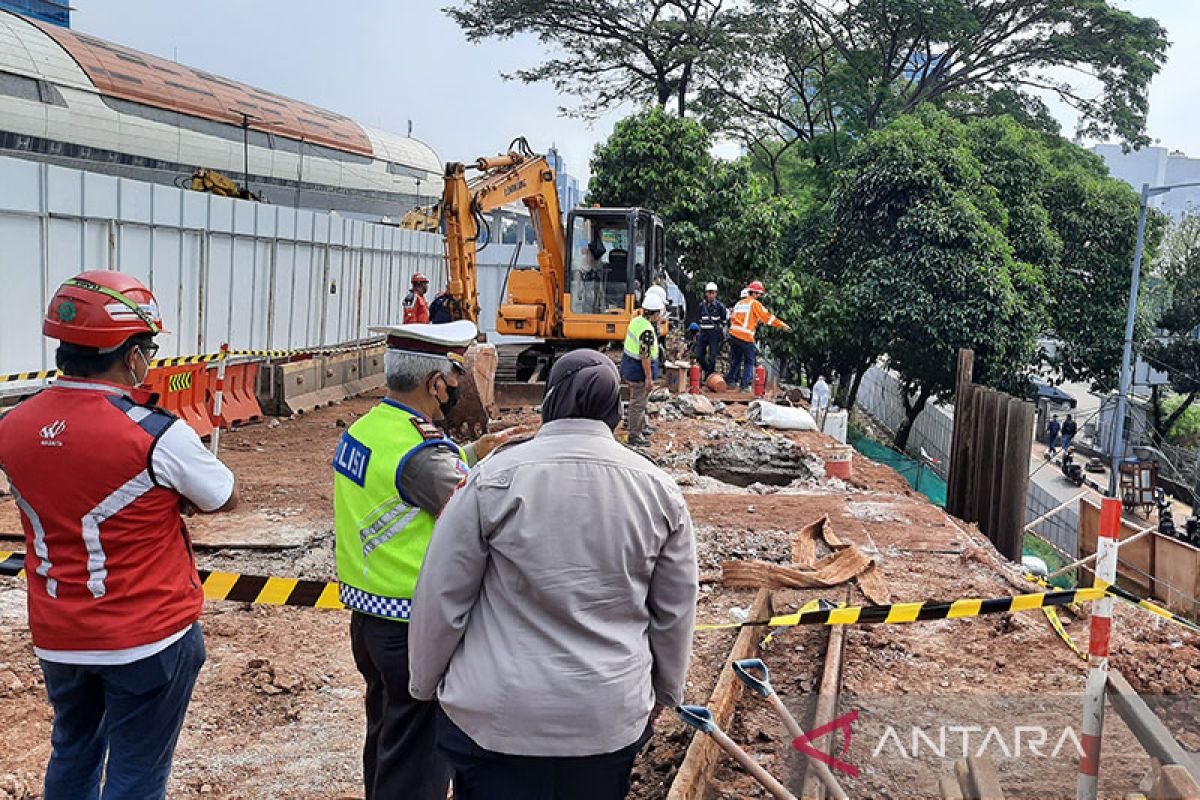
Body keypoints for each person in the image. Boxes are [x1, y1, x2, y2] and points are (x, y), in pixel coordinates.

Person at [409, 349, 698, 800]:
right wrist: (665, 692)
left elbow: (442, 596)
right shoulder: (659, 491)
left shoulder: (492, 479)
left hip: (497, 721)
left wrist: (424, 683)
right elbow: (675, 611)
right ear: (615, 412)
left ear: (549, 402)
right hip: (607, 718)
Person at [0, 271, 238, 800]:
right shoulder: (154, 432)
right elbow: (222, 495)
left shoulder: (12, 425)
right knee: (136, 773)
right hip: (147, 636)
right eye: (147, 349)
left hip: (58, 635)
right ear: (131, 356)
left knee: (73, 752)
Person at [333, 320, 522, 800]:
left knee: (388, 738)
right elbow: (474, 511)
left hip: (369, 617)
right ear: (435, 383)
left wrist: (473, 452)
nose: (458, 385)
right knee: (419, 761)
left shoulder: (368, 428)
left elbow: (406, 480)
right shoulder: (422, 452)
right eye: (455, 375)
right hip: (411, 627)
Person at [725, 280, 791, 392]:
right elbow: (767, 318)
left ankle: (730, 381)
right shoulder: (754, 304)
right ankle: (745, 386)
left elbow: (732, 318)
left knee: (736, 359)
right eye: (759, 294)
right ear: (754, 293)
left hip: (733, 335)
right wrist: (782, 325)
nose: (759, 296)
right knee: (749, 361)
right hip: (745, 336)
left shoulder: (739, 304)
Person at [620, 293, 663, 447]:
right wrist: (649, 378)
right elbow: (645, 356)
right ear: (655, 313)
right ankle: (634, 434)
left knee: (640, 400)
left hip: (629, 367)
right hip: (638, 371)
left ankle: (642, 426)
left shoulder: (637, 321)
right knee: (637, 403)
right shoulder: (647, 331)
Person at [695, 282, 727, 377]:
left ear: (716, 294)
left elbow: (724, 320)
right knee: (699, 356)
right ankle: (708, 371)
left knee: (712, 357)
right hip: (703, 332)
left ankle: (710, 376)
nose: (711, 295)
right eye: (709, 292)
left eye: (713, 292)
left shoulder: (720, 307)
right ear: (706, 293)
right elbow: (699, 319)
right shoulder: (702, 306)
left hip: (714, 333)